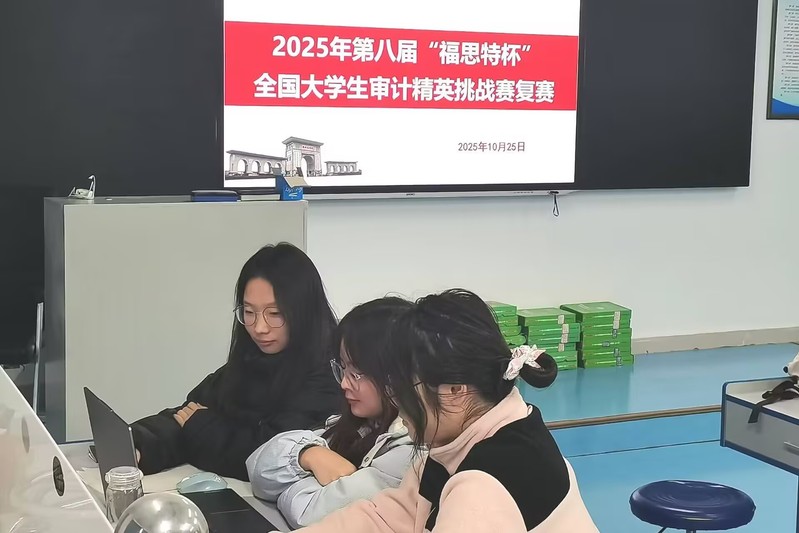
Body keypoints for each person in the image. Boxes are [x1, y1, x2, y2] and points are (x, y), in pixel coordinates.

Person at [281, 289, 598, 533]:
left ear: (455, 390)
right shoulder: (476, 437)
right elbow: (385, 518)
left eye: (403, 388)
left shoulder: (482, 490)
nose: (397, 401)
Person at [131, 243, 340, 481]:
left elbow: (272, 454)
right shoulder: (249, 361)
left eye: (274, 314)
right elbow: (186, 415)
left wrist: (202, 426)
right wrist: (139, 443)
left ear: (304, 312)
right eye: (249, 312)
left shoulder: (332, 374)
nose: (259, 328)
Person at [247, 297, 415, 528]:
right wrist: (308, 454)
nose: (344, 383)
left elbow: (309, 514)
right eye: (342, 369)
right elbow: (257, 470)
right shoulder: (361, 424)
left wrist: (287, 486)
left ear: (396, 374)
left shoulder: (408, 452)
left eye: (356, 373)